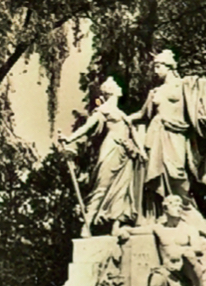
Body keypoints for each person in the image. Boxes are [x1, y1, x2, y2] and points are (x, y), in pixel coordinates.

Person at [128, 0, 206, 229]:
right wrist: (118, 120)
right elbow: (140, 116)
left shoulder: (186, 85)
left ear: (169, 66)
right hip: (155, 136)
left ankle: (187, 217)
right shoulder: (155, 93)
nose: (154, 70)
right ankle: (160, 218)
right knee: (152, 179)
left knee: (178, 176)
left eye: (158, 66)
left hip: (176, 135)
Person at [58, 77, 145, 237]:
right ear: (111, 91)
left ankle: (116, 226)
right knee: (102, 187)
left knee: (122, 190)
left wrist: (142, 152)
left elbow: (133, 133)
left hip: (125, 154)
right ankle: (87, 225)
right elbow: (88, 127)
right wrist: (70, 139)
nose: (120, 87)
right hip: (112, 149)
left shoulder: (121, 113)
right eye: (117, 86)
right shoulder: (104, 110)